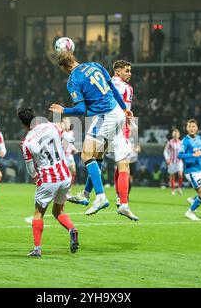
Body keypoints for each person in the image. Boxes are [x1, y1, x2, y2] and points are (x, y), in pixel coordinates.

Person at [49, 51, 136, 220]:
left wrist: (63, 110)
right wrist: (124, 108)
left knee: (86, 155)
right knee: (98, 156)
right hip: (118, 113)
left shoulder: (73, 80)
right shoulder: (95, 65)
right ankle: (86, 194)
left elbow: (81, 110)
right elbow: (112, 89)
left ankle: (101, 196)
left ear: (63, 67)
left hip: (105, 116)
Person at [18, 107, 78, 257]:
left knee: (38, 213)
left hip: (48, 179)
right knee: (58, 211)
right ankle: (72, 229)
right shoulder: (51, 126)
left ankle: (37, 249)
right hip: (65, 176)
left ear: (23, 124)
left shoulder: (26, 143)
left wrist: (35, 177)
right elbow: (70, 139)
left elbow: (31, 169)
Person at [61, 117, 79, 199]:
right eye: (66, 122)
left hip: (69, 155)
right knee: (64, 174)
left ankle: (68, 189)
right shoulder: (61, 132)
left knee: (73, 171)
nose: (67, 124)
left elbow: (70, 143)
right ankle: (63, 191)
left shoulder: (71, 132)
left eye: (68, 122)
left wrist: (73, 148)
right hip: (62, 156)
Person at [164, 129, 184, 195]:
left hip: (179, 161)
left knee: (180, 174)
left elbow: (183, 151)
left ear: (179, 135)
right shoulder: (170, 142)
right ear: (173, 135)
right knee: (172, 176)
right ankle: (173, 189)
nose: (175, 135)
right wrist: (167, 158)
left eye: (177, 134)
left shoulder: (181, 143)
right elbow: (165, 151)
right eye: (174, 134)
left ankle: (179, 188)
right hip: (172, 161)